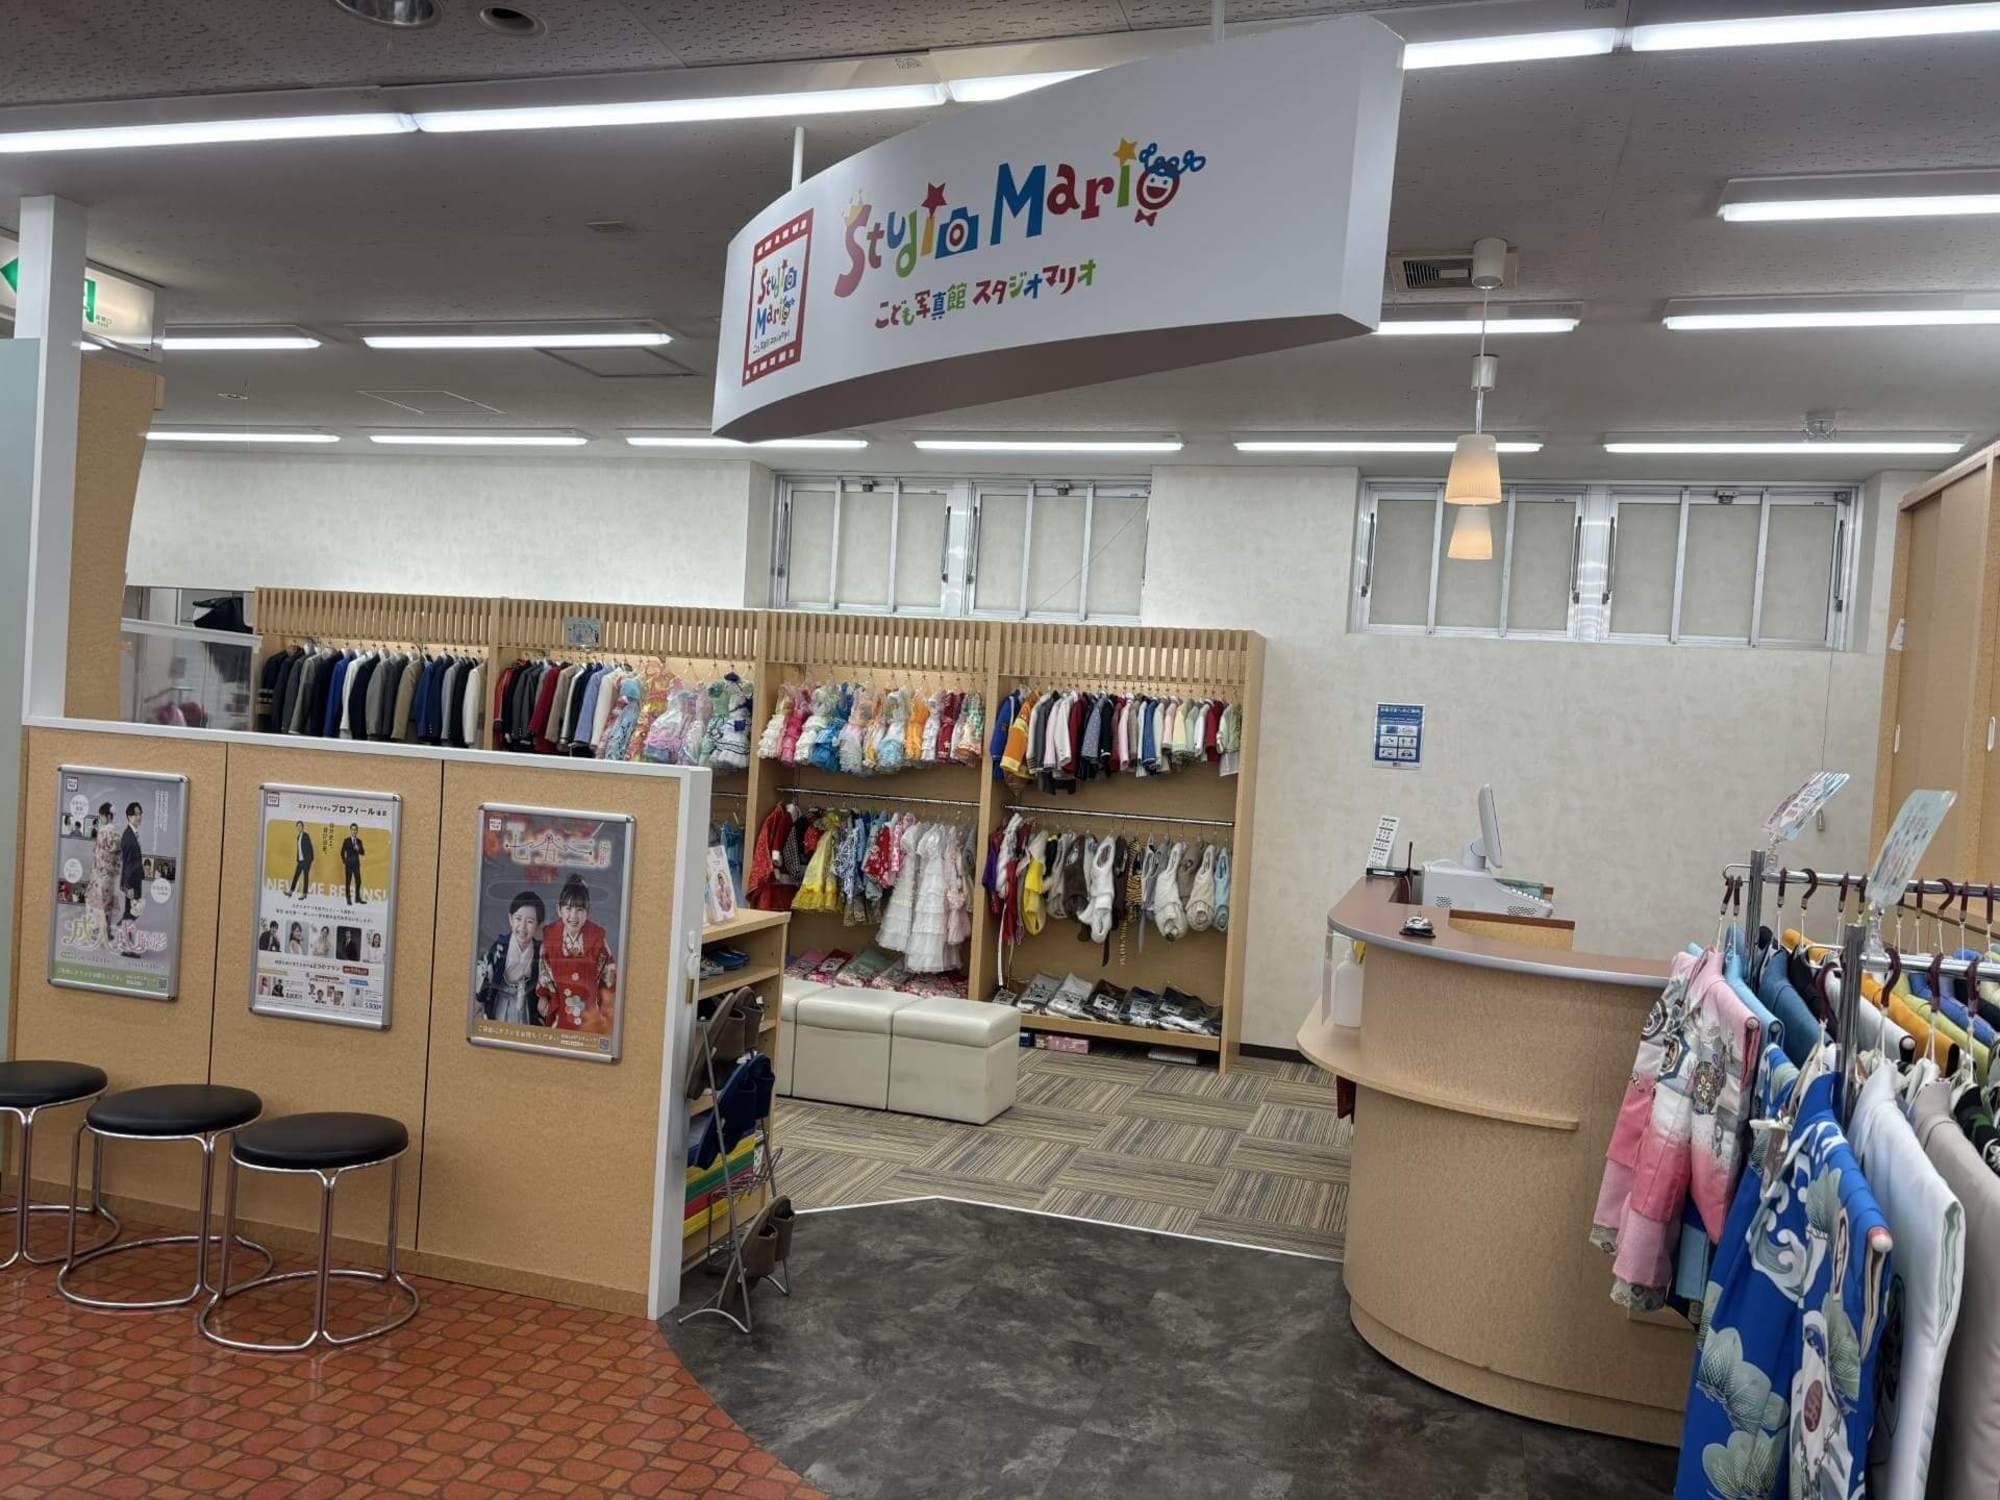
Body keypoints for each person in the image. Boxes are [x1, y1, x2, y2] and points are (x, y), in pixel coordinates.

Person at [537, 876, 617, 1034]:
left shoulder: (597, 939)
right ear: (559, 909)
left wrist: (606, 1001)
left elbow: (609, 972)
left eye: (580, 910)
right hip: (561, 1005)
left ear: (588, 912)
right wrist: (543, 996)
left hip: (590, 1009)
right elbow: (544, 970)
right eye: (568, 908)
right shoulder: (550, 938)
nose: (573, 916)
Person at [474, 890, 544, 1026]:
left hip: (526, 1004)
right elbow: (485, 974)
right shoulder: (500, 947)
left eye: (530, 921)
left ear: (538, 925)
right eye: (518, 919)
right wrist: (480, 999)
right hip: (501, 1001)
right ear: (510, 919)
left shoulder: (539, 951)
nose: (522, 927)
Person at [87, 801, 119, 947]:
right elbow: (117, 856)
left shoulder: (103, 832)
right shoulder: (116, 832)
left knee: (98, 903)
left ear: (107, 816)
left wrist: (95, 872)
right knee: (108, 903)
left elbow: (98, 854)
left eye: (102, 816)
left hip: (100, 873)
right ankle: (107, 932)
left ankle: (98, 932)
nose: (100, 818)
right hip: (111, 875)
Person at [118, 802, 145, 927]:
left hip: (134, 878)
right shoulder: (128, 837)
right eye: (136, 814)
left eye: (140, 814)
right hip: (132, 881)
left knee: (131, 911)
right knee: (133, 911)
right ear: (129, 816)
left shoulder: (132, 833)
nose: (139, 817)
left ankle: (122, 930)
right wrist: (128, 886)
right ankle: (122, 931)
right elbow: (128, 863)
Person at [286, 819, 314, 898]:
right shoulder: (298, 837)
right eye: (297, 826)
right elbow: (299, 849)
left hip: (306, 861)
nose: (299, 827)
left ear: (303, 827)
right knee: (296, 876)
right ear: (296, 827)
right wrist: (298, 859)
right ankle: (290, 891)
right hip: (300, 861)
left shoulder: (306, 835)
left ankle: (304, 894)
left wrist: (310, 860)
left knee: (305, 877)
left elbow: (310, 847)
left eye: (300, 826)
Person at [340, 822, 366, 905]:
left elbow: (363, 852)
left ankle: (357, 898)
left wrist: (358, 848)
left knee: (358, 881)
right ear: (350, 830)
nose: (354, 831)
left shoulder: (359, 841)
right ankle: (348, 899)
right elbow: (342, 852)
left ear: (357, 831)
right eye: (352, 829)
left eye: (355, 830)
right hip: (348, 865)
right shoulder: (346, 840)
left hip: (356, 865)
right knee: (348, 882)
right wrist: (344, 861)